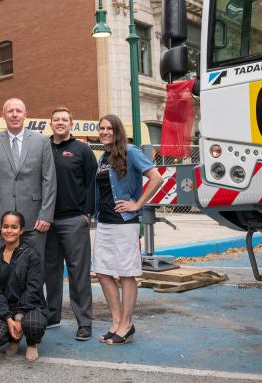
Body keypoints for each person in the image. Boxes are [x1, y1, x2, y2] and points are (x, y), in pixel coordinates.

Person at [93, 114, 163, 345]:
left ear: (117, 131)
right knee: (103, 272)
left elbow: (156, 178)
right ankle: (116, 321)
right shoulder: (103, 156)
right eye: (101, 128)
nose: (104, 132)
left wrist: (137, 204)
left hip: (124, 222)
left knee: (126, 273)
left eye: (108, 128)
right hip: (104, 222)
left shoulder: (130, 151)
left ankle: (127, 323)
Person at [43, 107, 97, 339]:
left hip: (74, 219)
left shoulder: (82, 149)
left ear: (71, 123)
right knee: (50, 272)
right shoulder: (42, 147)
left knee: (78, 273)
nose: (60, 123)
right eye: (56, 120)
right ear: (51, 123)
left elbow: (91, 182)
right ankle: (52, 315)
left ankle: (84, 322)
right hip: (46, 221)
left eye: (65, 119)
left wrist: (87, 213)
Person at [0, 98, 56, 257]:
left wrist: (46, 215)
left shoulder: (42, 141)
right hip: (1, 220)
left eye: (18, 111)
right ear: (3, 115)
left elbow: (49, 181)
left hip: (35, 219)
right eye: (10, 111)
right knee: (3, 267)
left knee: (34, 268)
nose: (14, 115)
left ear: (25, 115)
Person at [0, 211, 48, 362]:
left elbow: (33, 289)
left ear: (21, 230)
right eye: (5, 226)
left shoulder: (32, 255)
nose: (9, 231)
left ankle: (32, 342)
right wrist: (8, 318)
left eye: (14, 227)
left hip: (31, 307)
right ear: (1, 228)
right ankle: (14, 339)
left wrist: (18, 317)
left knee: (33, 325)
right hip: (6, 309)